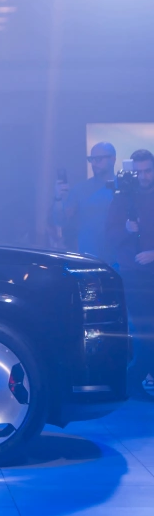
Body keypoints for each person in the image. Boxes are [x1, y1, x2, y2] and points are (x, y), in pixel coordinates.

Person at [106, 148, 154, 399]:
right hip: (133, 273)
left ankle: (136, 378)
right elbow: (109, 235)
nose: (144, 176)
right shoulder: (122, 199)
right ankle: (135, 379)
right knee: (145, 329)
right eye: (139, 172)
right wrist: (126, 229)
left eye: (148, 171)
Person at [60, 141, 117, 259]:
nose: (94, 164)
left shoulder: (125, 187)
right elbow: (60, 219)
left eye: (98, 159)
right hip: (88, 258)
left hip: (119, 259)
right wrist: (58, 198)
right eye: (91, 159)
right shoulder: (80, 189)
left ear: (112, 159)